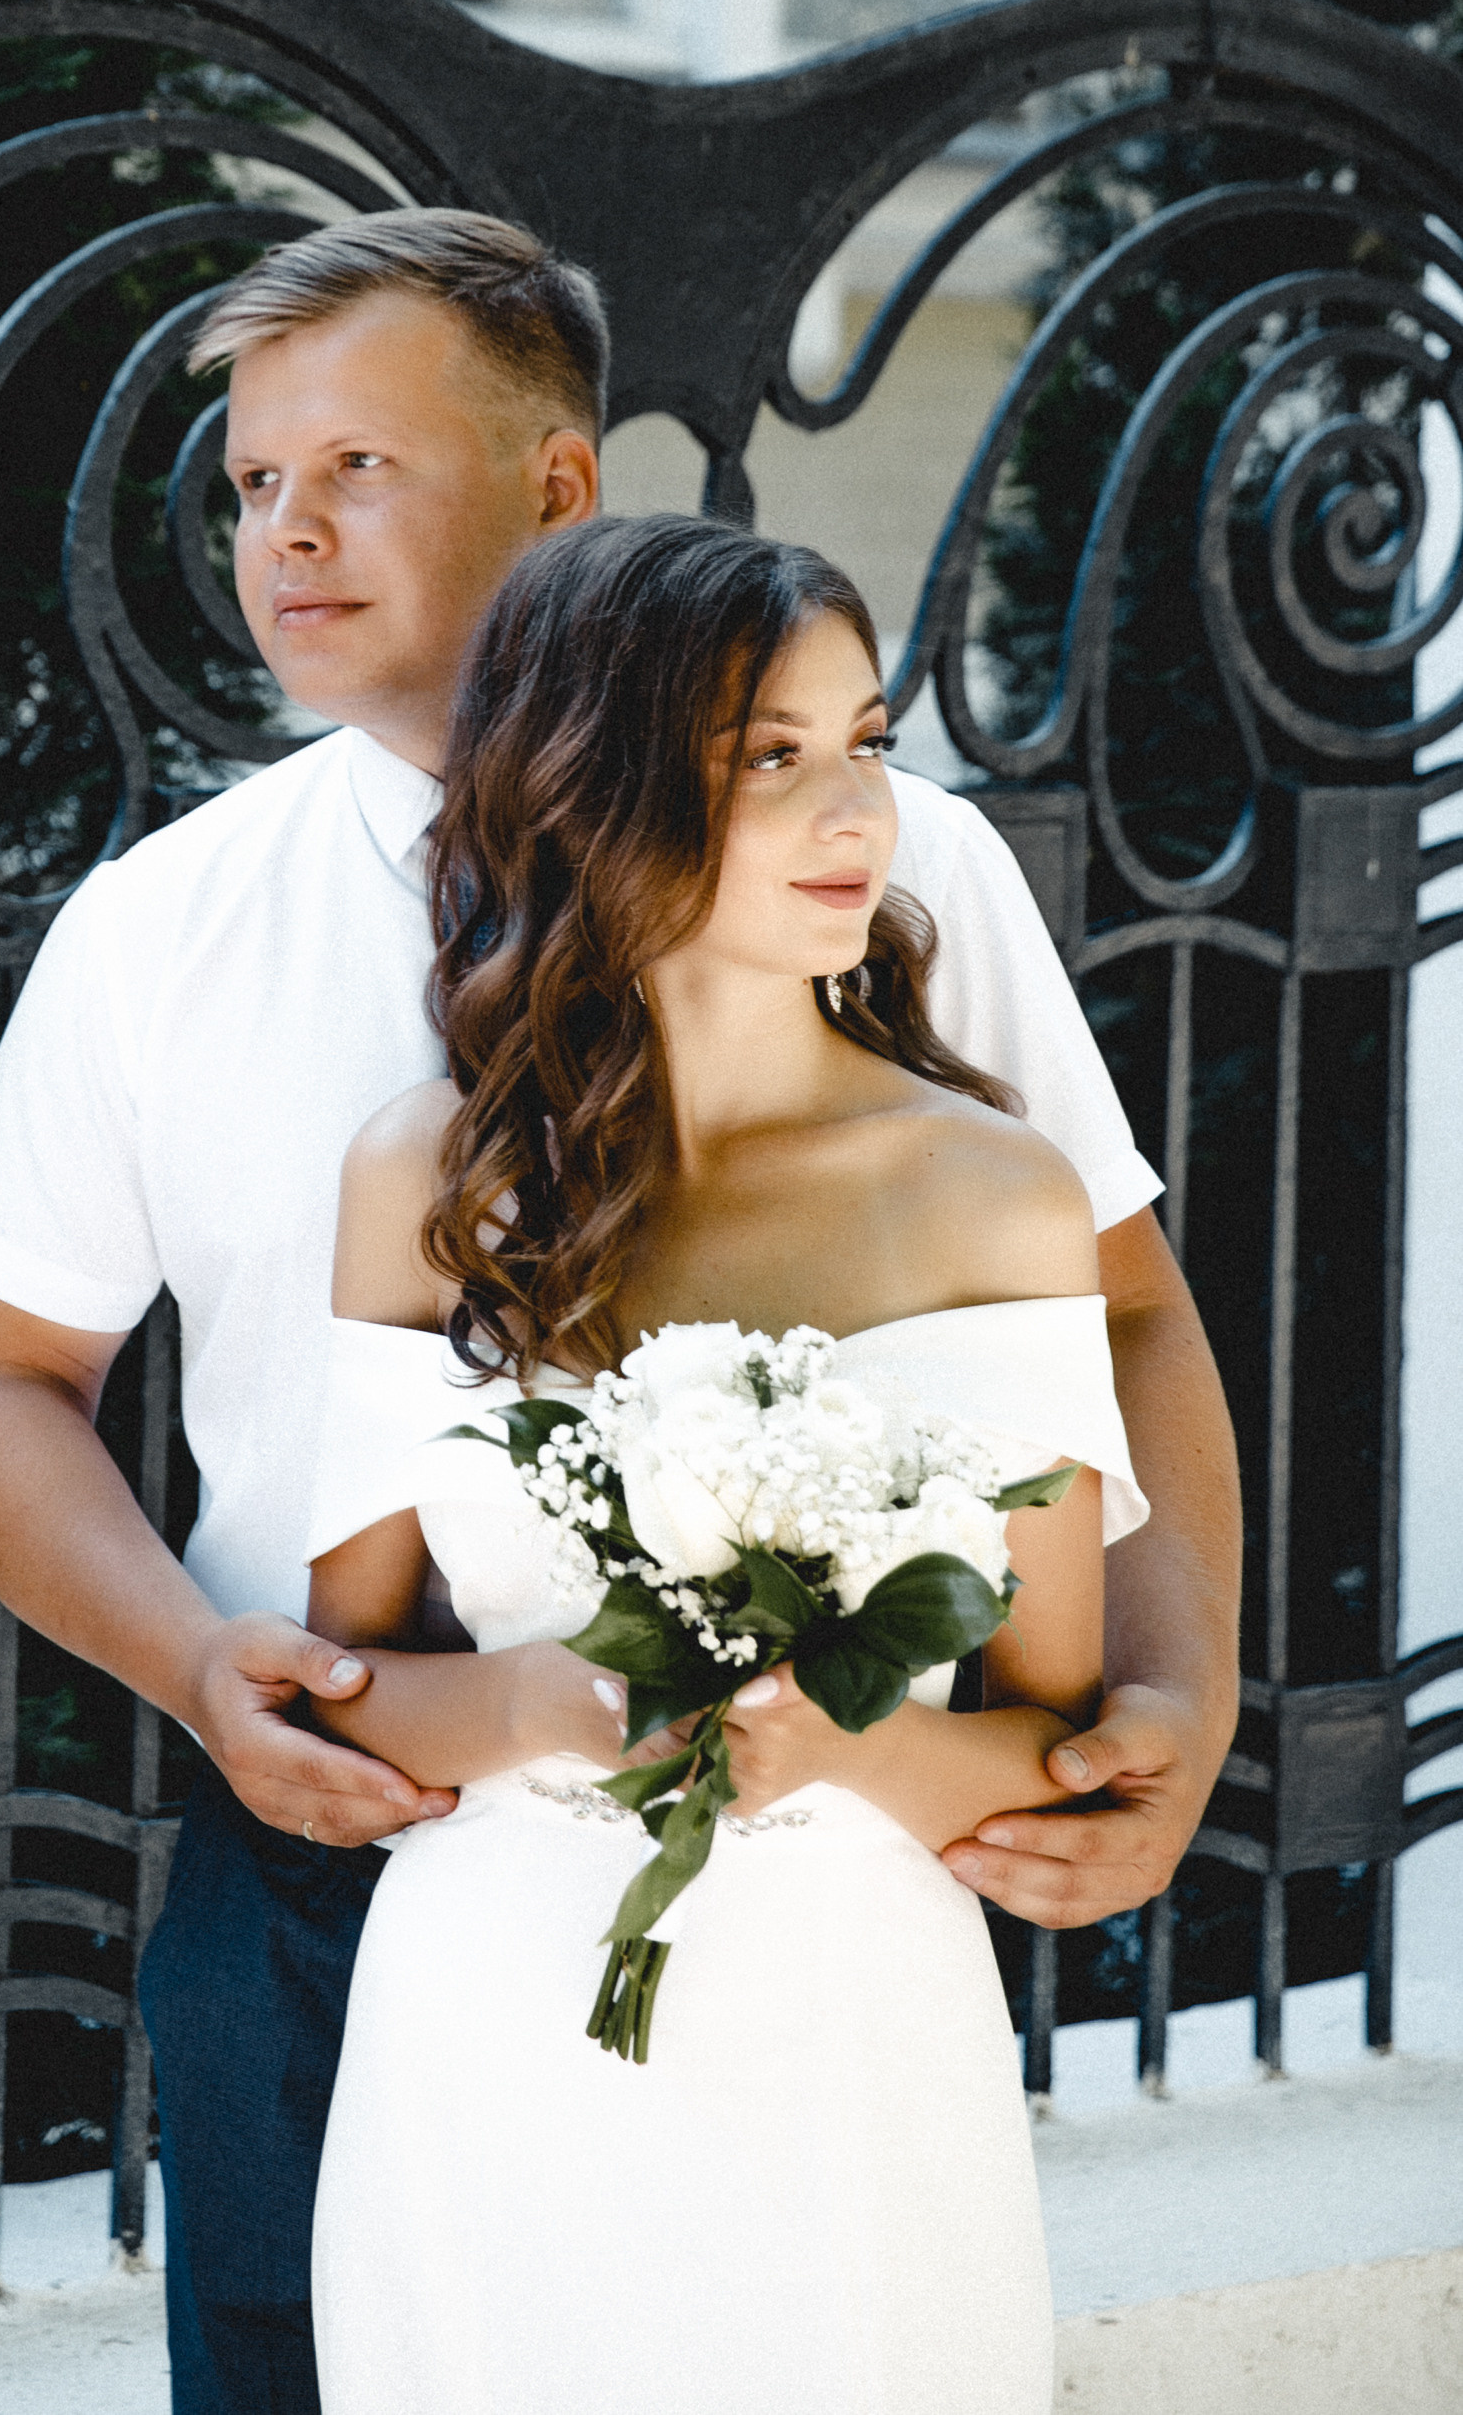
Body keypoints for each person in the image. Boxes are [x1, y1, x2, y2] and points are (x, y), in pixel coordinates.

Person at [0, 210, 1239, 2415]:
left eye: (357, 467)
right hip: (344, 1854)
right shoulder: (161, 932)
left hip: (843, 1890)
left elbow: (1132, 1324)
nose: (286, 531)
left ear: (549, 488)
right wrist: (195, 1665)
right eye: (251, 484)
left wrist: (1175, 1708)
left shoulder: (902, 879)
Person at [306, 515, 1140, 2415]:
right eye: (773, 755)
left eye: (869, 742)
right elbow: (348, 1695)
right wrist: (534, 1699)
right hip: (486, 2039)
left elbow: (1050, 1728)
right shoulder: (423, 1182)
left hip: (852, 2051)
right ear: (591, 785)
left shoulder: (994, 1194)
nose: (859, 808)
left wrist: (841, 1742)